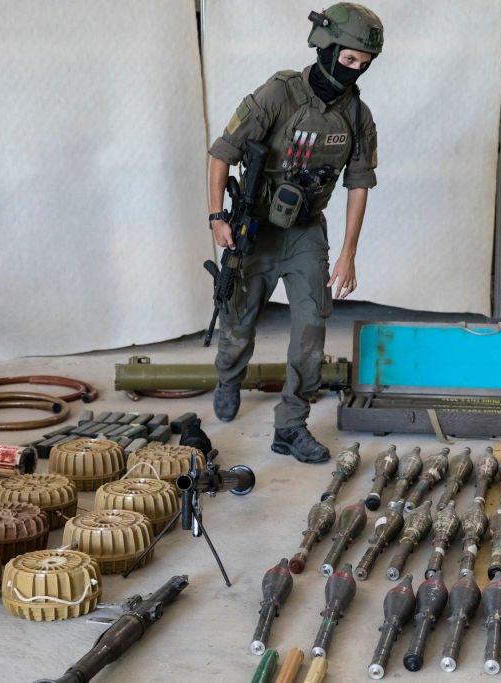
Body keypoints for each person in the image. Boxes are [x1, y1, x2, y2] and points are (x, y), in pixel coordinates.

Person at [206, 3, 383, 464]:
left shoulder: (357, 117)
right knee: (238, 323)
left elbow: (359, 185)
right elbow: (222, 153)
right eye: (348, 61)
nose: (353, 73)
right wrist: (216, 217)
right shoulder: (278, 93)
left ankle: (290, 426)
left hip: (306, 234)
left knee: (310, 333)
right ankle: (228, 377)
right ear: (325, 47)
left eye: (363, 66)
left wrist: (348, 253)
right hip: (255, 229)